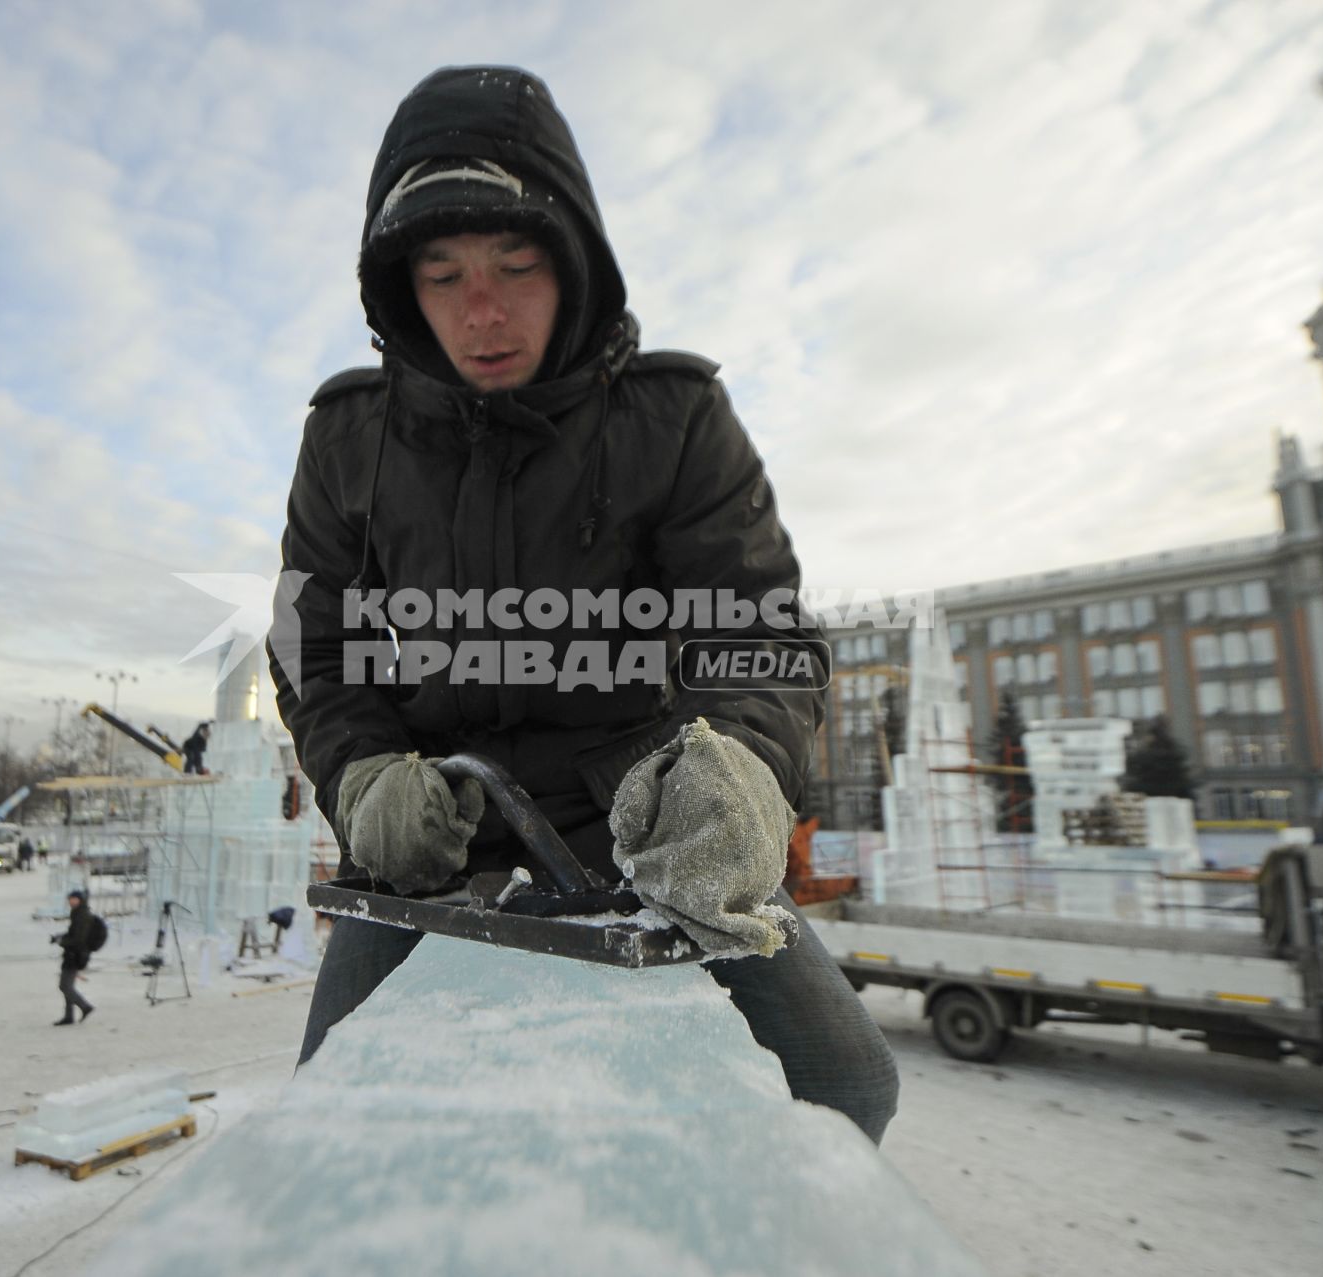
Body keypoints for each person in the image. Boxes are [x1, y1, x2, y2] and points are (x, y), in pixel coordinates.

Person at [267, 66, 898, 1144]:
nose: (485, 308)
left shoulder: (676, 417)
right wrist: (360, 775)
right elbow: (313, 646)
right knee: (331, 1116)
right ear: (399, 288)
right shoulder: (346, 436)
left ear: (574, 263)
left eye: (517, 263)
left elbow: (757, 629)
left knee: (843, 1083)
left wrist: (739, 769)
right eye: (444, 273)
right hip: (436, 831)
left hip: (646, 821)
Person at [52, 889, 97, 1026]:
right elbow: (73, 934)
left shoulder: (82, 915)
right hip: (73, 953)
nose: (71, 901)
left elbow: (79, 939)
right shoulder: (77, 913)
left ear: (79, 899)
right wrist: (60, 937)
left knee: (64, 985)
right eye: (70, 899)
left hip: (76, 955)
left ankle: (85, 1006)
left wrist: (62, 942)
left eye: (73, 899)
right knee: (68, 985)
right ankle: (69, 1016)